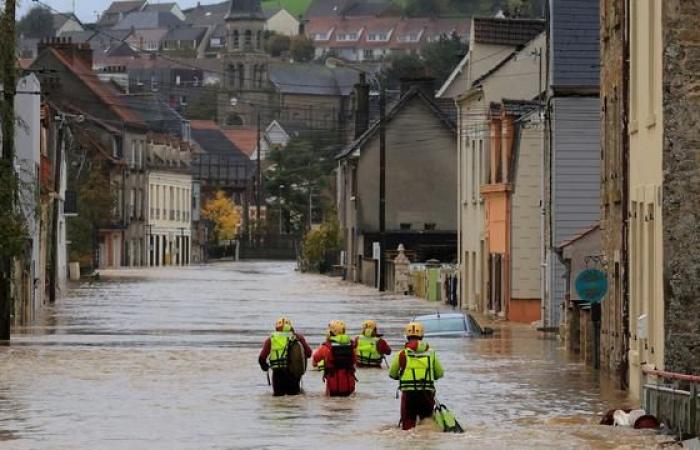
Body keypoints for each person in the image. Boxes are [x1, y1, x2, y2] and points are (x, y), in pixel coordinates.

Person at [389, 322, 444, 430]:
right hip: (427, 394)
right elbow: (440, 373)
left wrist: (400, 376)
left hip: (409, 395)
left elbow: (392, 373)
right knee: (427, 422)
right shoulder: (431, 353)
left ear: (407, 336)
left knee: (408, 427)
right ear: (422, 336)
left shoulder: (402, 354)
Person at [258, 317, 312, 396]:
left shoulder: (271, 339)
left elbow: (261, 359)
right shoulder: (298, 337)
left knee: (278, 401)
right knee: (294, 399)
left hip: (277, 374)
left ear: (276, 328)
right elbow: (309, 353)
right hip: (293, 375)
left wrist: (265, 367)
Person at [312, 320, 357, 397]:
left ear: (330, 332)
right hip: (349, 385)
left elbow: (314, 361)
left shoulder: (326, 347)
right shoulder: (352, 346)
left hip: (333, 386)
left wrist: (321, 364)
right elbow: (355, 361)